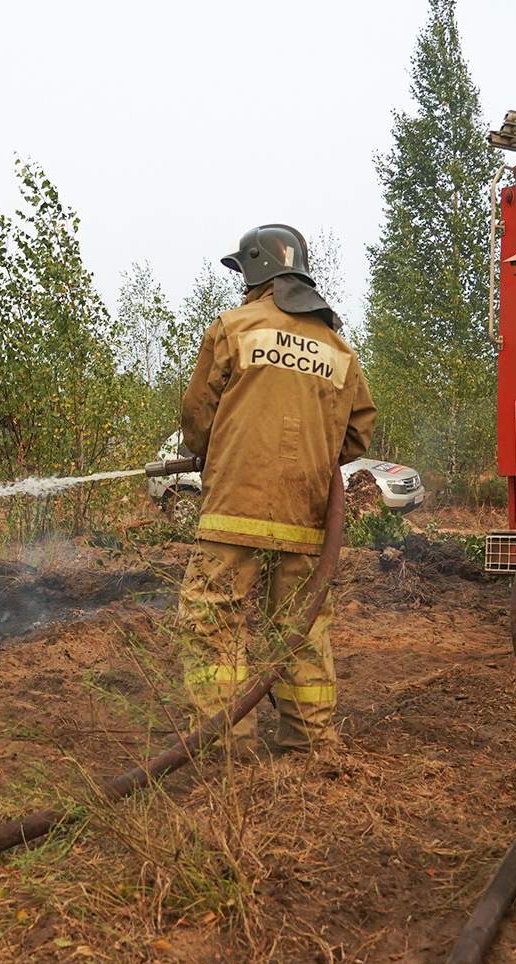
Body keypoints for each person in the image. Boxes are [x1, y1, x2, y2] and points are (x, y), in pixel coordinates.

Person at [176, 224, 376, 754]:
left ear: (257, 269)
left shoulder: (233, 328)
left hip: (232, 509)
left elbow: (197, 418)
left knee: (214, 622)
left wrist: (207, 450)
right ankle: (310, 743)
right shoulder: (337, 348)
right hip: (306, 513)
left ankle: (226, 747)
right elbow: (355, 437)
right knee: (300, 624)